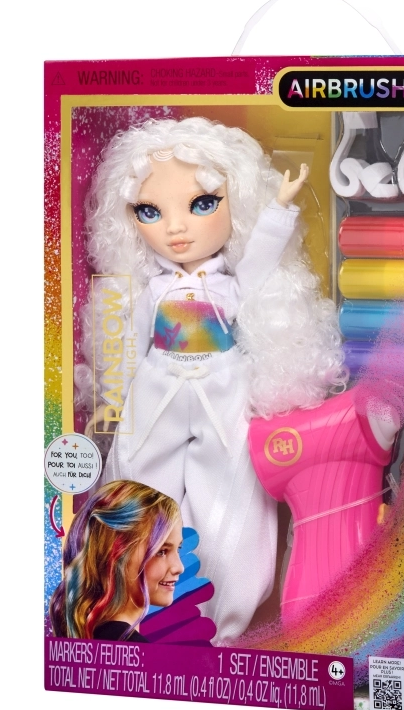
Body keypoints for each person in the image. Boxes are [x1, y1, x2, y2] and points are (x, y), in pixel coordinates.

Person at [77, 117, 346, 641]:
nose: (175, 229)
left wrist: (279, 206)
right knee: (137, 482)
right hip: (156, 387)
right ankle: (132, 606)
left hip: (223, 387)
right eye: (150, 211)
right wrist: (115, 400)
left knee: (232, 492)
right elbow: (126, 345)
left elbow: (260, 260)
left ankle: (222, 618)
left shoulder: (230, 285)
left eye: (202, 204)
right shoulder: (147, 290)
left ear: (234, 203)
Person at [48, 479, 183, 642]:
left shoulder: (86, 637)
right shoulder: (134, 648)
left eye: (178, 549)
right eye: (161, 551)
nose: (179, 567)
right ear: (116, 555)